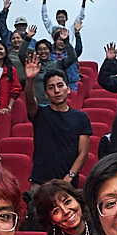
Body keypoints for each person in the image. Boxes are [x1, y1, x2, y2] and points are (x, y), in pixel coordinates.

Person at [19, 55, 91, 191]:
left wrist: (68, 178)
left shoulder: (81, 117)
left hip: (68, 184)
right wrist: (30, 79)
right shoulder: (40, 114)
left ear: (68, 89)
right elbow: (29, 100)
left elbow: (83, 153)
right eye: (51, 87)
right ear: (46, 94)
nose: (56, 90)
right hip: (40, 183)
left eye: (60, 86)